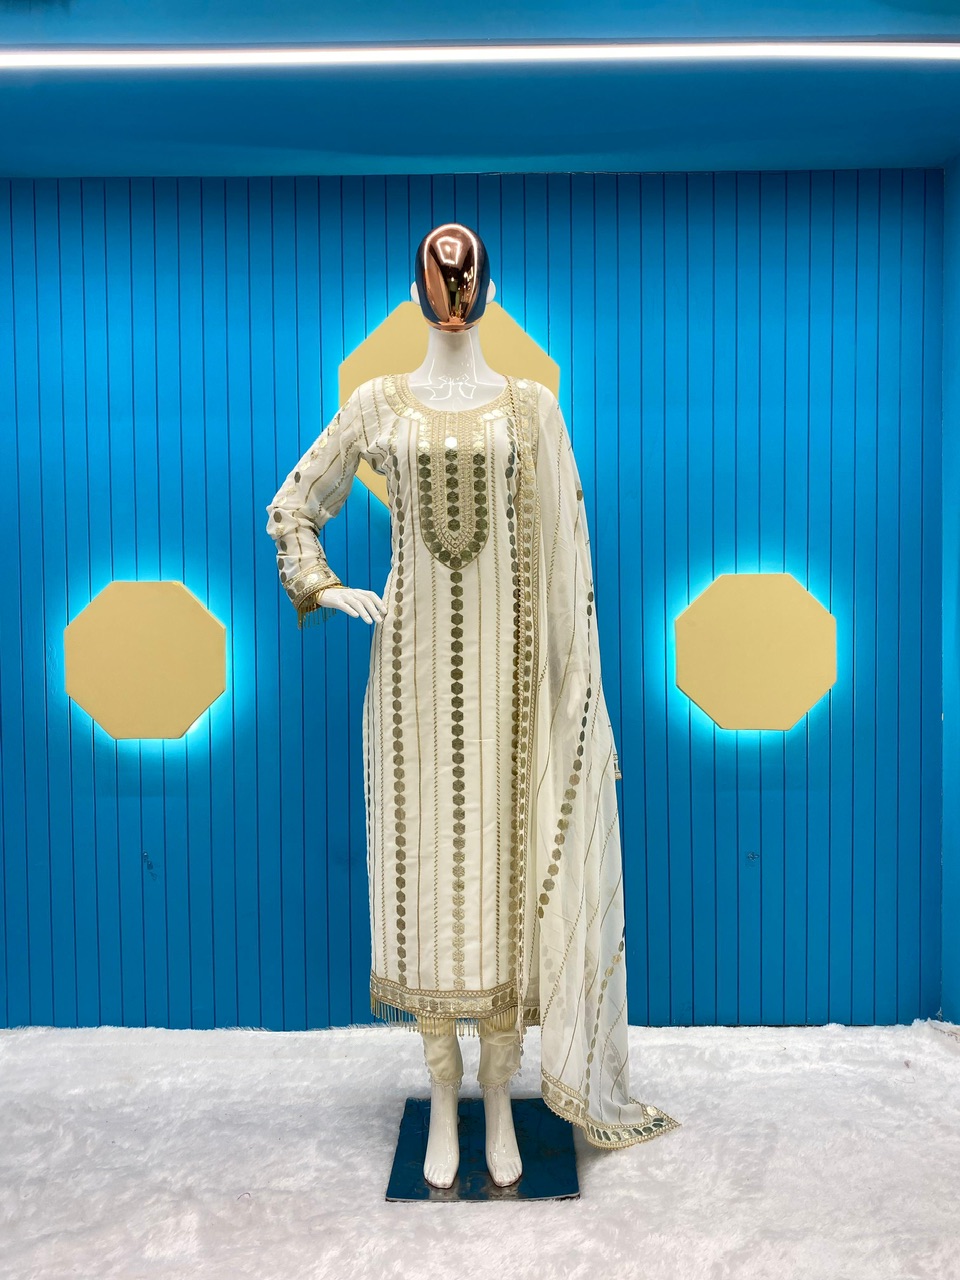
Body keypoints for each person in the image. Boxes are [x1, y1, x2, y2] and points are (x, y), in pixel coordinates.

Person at [266, 223, 680, 1189]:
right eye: (437, 276)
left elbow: (566, 550)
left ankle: (499, 1098)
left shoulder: (532, 409)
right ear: (417, 290)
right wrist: (324, 585)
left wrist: (571, 689)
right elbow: (293, 506)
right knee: (422, 888)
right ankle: (444, 1099)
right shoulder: (377, 403)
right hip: (409, 686)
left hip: (511, 684)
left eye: (466, 276)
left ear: (486, 289)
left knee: (501, 880)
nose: (452, 291)